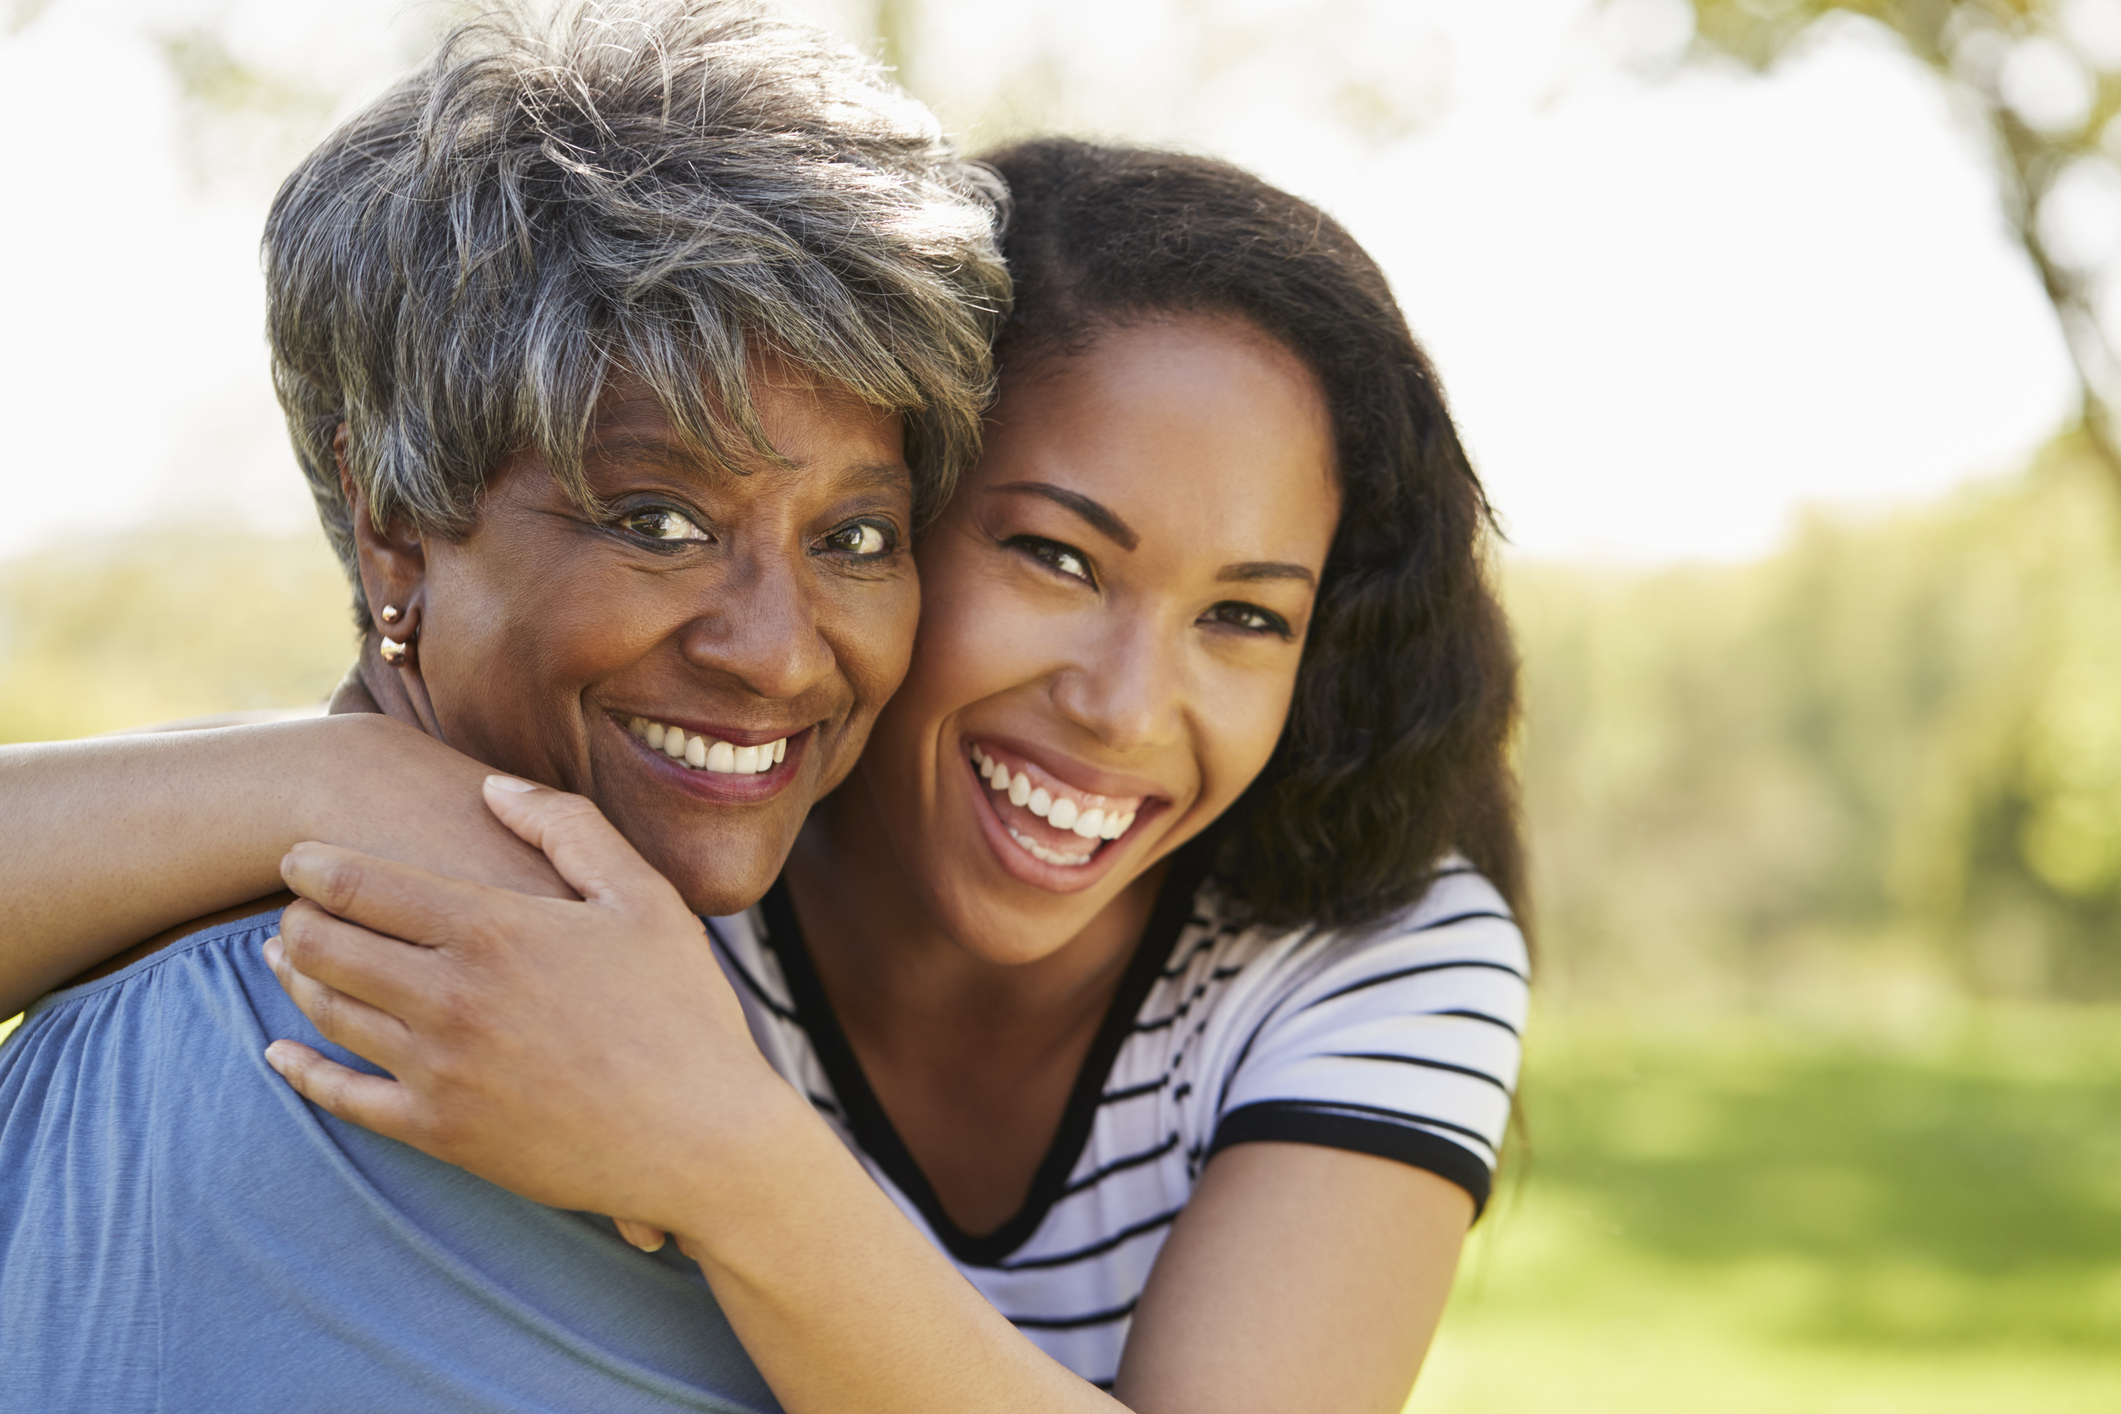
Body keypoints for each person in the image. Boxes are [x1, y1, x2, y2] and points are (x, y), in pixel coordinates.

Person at [2, 132, 1528, 1410]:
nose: (1127, 708)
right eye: (1054, 556)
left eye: (1244, 615)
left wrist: (717, 1147)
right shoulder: (703, 809)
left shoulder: (1372, 954)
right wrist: (342, 783)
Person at [0, 2, 1007, 1409]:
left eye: (853, 538)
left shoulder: (637, 995)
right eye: (655, 520)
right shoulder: (317, 1051)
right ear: (396, 521)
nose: (780, 655)